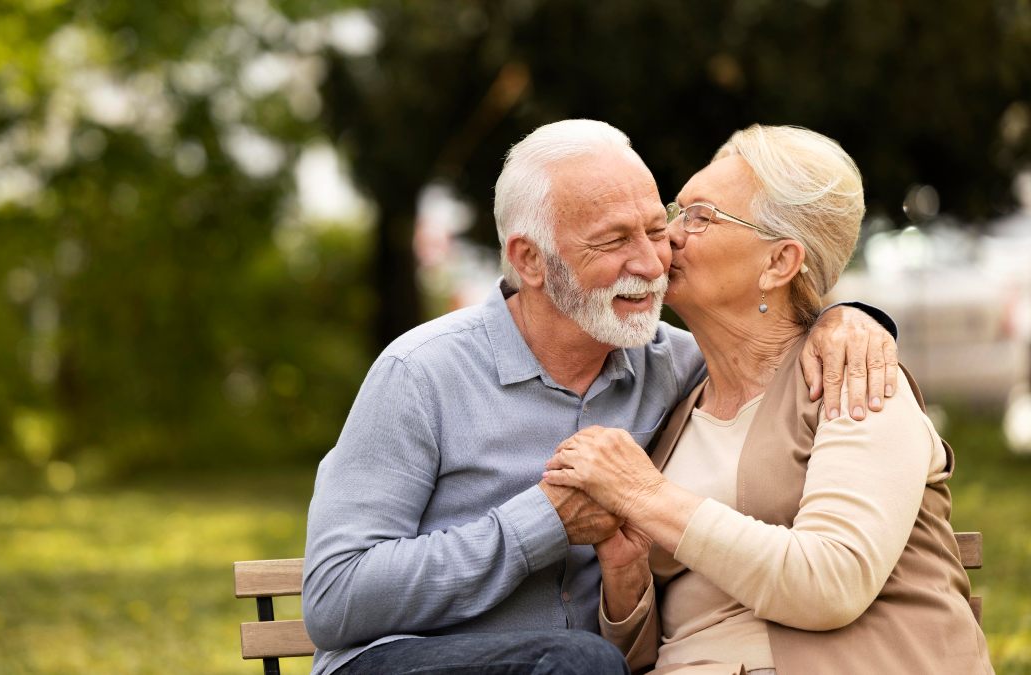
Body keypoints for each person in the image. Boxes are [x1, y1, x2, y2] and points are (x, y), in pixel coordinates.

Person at [303, 119, 899, 675]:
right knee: (576, 663)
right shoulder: (420, 373)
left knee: (581, 663)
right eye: (612, 241)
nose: (650, 262)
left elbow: (769, 338)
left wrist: (847, 318)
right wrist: (543, 522)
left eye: (655, 230)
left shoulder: (679, 368)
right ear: (529, 259)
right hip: (412, 661)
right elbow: (334, 597)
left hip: (590, 666)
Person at [543, 125, 993, 674]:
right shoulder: (676, 403)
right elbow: (637, 659)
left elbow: (831, 582)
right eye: (675, 212)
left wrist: (646, 495)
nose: (669, 237)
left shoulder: (855, 380)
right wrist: (625, 574)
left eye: (701, 217)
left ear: (779, 263)